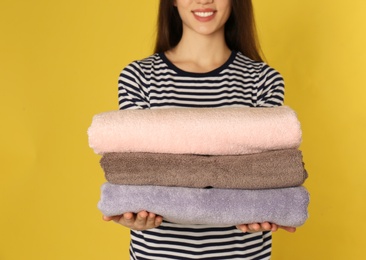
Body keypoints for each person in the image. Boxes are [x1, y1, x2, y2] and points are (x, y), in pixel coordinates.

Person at [103, 0, 296, 259]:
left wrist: (262, 208)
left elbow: (267, 170)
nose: (204, 0)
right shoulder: (139, 77)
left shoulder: (263, 80)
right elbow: (134, 170)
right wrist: (129, 212)